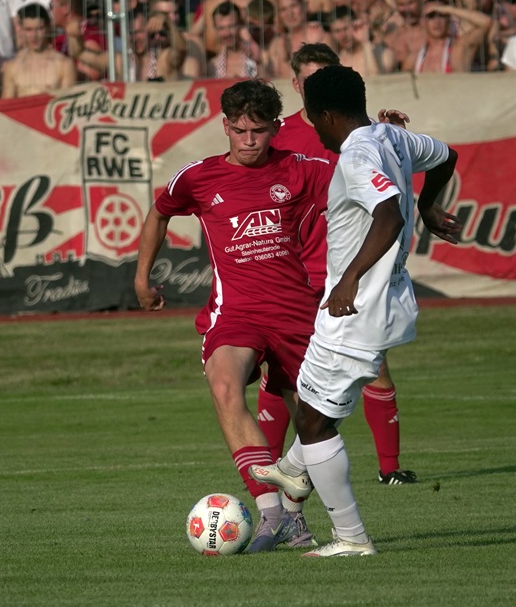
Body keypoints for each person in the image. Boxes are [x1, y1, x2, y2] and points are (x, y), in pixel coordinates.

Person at [249, 64, 461, 556]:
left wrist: (350, 277)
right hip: (387, 301)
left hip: (357, 306)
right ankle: (293, 470)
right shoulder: (392, 136)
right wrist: (428, 206)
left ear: (325, 114)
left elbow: (387, 215)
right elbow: (447, 155)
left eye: (312, 119)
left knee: (314, 422)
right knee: (318, 403)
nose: (314, 130)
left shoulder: (358, 153)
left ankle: (350, 537)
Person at [134, 79, 328, 553]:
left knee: (315, 423)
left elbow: (366, 181)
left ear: (275, 128)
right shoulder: (198, 177)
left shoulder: (304, 170)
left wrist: (383, 136)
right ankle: (270, 512)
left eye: (258, 131)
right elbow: (159, 214)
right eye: (239, 130)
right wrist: (141, 279)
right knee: (224, 386)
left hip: (296, 314)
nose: (248, 140)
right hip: (235, 312)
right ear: (225, 126)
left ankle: (294, 517)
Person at [258, 43, 417, 487]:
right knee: (284, 372)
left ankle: (389, 468)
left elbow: (387, 196)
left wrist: (389, 135)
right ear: (296, 84)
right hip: (297, 270)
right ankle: (270, 472)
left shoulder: (359, 133)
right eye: (311, 79)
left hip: (349, 270)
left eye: (328, 75)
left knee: (370, 368)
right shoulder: (278, 135)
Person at [1, 4, 75, 98]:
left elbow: (68, 102)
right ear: (21, 30)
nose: (34, 35)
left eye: (40, 28)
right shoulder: (12, 67)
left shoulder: (64, 65)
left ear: (48, 27)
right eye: (29, 30)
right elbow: (7, 103)